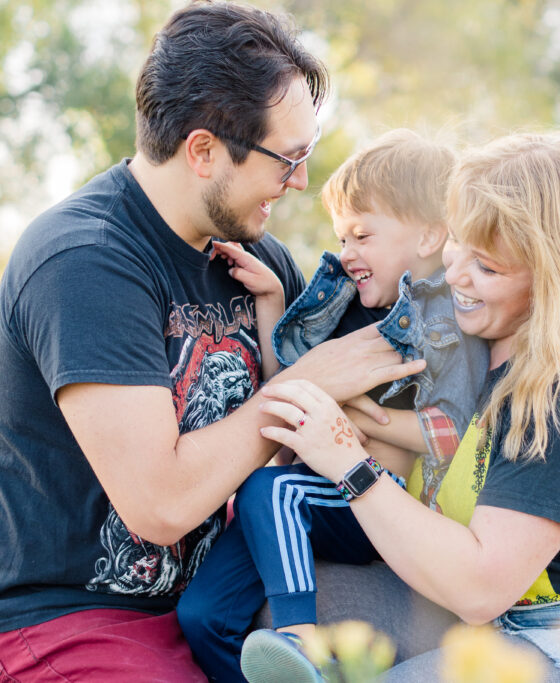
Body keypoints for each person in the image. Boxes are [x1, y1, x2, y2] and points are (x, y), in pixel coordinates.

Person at [0, 3, 425, 681]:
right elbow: (162, 505)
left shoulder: (258, 262)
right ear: (203, 151)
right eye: (287, 160)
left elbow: (306, 448)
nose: (300, 182)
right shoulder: (85, 262)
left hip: (215, 593)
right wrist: (308, 384)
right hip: (75, 617)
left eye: (307, 155)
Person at [247, 131, 560, 682]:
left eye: (488, 268)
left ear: (556, 279)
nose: (454, 277)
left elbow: (480, 587)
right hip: (479, 622)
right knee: (279, 617)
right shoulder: (461, 340)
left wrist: (348, 463)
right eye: (457, 245)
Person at [176, 130, 490, 681]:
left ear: (429, 236)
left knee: (268, 489)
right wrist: (272, 301)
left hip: (368, 499)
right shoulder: (346, 307)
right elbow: (286, 393)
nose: (346, 254)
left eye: (363, 235)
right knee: (202, 617)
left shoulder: (446, 321)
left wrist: (361, 418)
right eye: (342, 237)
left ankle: (299, 638)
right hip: (299, 496)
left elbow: (451, 433)